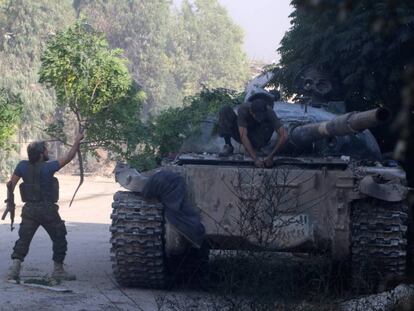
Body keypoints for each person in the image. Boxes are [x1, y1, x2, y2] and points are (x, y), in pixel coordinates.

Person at [7, 132, 84, 281]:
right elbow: (69, 157)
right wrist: (77, 141)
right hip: (48, 210)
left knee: (23, 239)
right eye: (46, 150)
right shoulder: (49, 167)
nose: (48, 152)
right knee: (60, 237)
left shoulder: (22, 166)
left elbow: (11, 185)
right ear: (41, 154)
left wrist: (10, 202)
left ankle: (14, 270)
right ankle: (58, 270)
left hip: (29, 210)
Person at [218, 94, 287, 168]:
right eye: (257, 116)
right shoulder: (243, 110)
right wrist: (255, 159)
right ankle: (228, 145)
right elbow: (243, 136)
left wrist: (271, 156)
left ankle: (258, 148)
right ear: (251, 112)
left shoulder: (269, 112)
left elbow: (284, 135)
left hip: (259, 136)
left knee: (270, 123)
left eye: (262, 116)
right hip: (244, 133)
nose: (259, 118)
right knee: (225, 109)